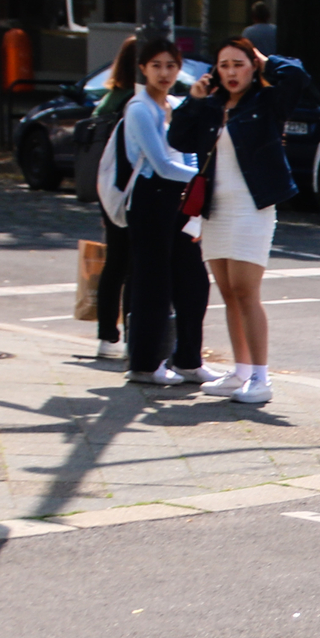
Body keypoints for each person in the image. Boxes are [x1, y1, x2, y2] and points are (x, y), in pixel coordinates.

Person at [170, 39, 312, 407]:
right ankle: (241, 372)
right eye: (224, 65)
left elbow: (296, 75)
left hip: (253, 207)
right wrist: (194, 99)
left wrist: (266, 60)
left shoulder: (266, 103)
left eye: (239, 64)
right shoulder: (212, 106)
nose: (231, 72)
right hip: (215, 208)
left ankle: (261, 378)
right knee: (229, 292)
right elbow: (178, 137)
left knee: (247, 291)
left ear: (253, 67)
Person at [117, 35, 222, 388]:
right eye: (157, 65)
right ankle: (145, 364)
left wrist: (198, 178)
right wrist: (203, 178)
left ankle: (189, 359)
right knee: (153, 283)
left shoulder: (176, 104)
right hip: (150, 198)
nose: (164, 73)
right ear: (143, 68)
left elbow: (189, 149)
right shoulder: (138, 109)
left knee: (193, 280)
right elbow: (161, 164)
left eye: (171, 66)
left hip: (181, 199)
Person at [88, 35, 139, 358]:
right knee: (134, 264)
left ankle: (108, 335)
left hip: (108, 189)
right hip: (132, 188)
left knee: (115, 262)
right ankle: (133, 332)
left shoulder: (108, 100)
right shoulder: (136, 102)